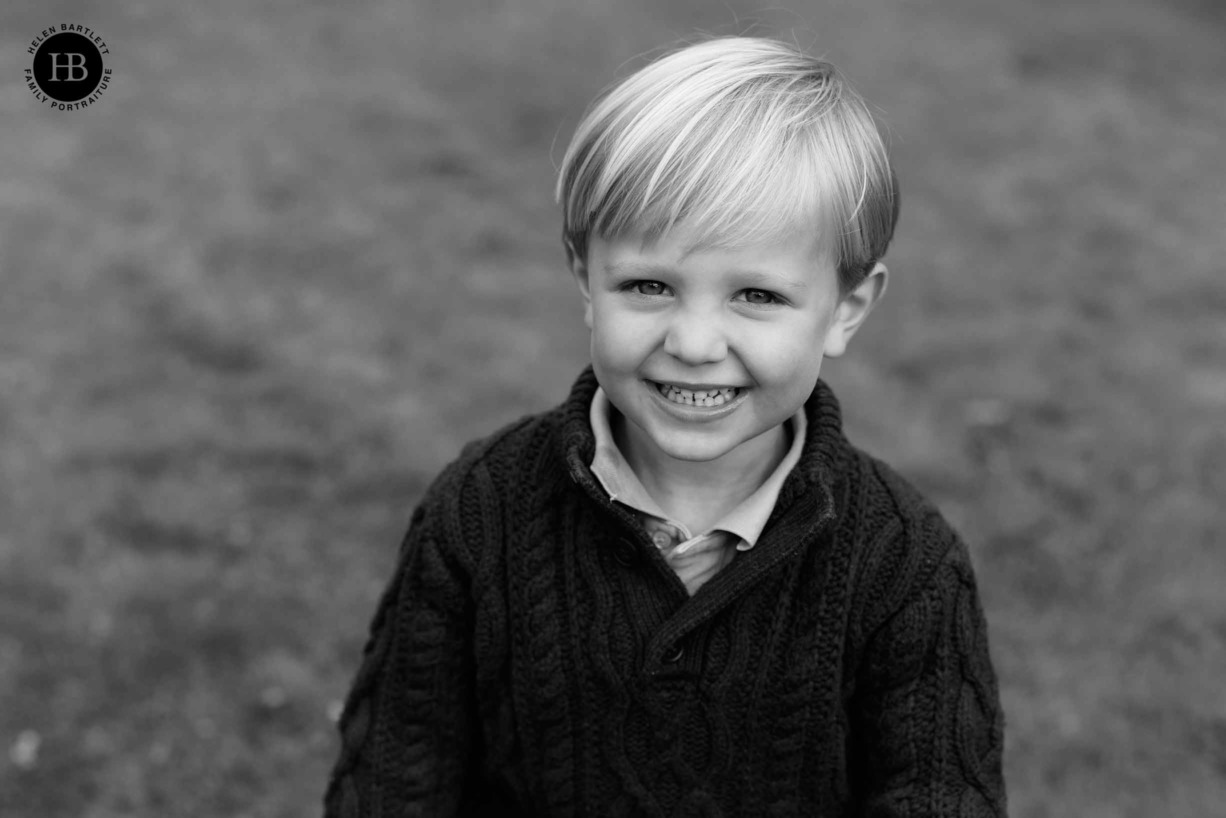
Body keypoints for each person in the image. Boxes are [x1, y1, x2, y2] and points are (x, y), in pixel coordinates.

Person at [324, 35, 1007, 817]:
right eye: (649, 285)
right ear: (586, 279)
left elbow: (938, 797)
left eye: (756, 296)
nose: (692, 343)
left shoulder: (902, 563)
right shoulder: (482, 512)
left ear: (845, 309)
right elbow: (396, 773)